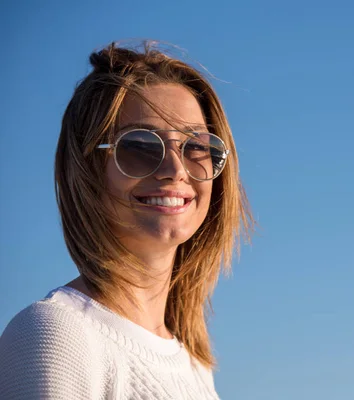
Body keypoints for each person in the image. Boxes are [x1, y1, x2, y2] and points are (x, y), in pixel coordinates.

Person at [0, 41, 252, 399]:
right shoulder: (56, 334)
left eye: (197, 147)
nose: (175, 170)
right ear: (88, 170)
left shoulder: (194, 366)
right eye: (140, 146)